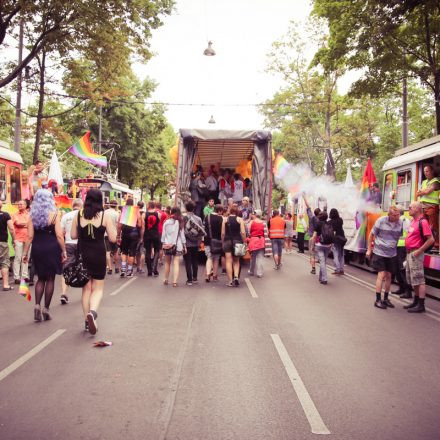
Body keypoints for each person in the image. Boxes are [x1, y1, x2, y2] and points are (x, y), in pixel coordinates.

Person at [70, 188, 117, 334]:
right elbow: (113, 238)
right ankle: (93, 312)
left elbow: (73, 235)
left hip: (83, 254)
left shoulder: (79, 214)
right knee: (98, 288)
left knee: (86, 289)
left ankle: (86, 320)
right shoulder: (104, 216)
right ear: (100, 200)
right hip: (98, 254)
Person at [23, 190, 66, 321]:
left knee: (40, 278)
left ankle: (37, 305)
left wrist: (25, 253)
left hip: (38, 248)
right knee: (50, 279)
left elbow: (29, 237)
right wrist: (63, 250)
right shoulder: (54, 215)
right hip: (52, 248)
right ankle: (46, 309)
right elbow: (59, 235)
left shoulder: (31, 216)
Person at [366, 205, 403, 309]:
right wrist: (369, 250)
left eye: (398, 214)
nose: (397, 217)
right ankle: (377, 300)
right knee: (381, 276)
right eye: (395, 215)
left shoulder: (400, 223)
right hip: (380, 252)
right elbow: (371, 235)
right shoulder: (381, 221)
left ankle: (385, 299)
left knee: (389, 277)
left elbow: (400, 237)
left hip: (392, 253)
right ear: (389, 215)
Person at [402, 202, 434, 313]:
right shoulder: (413, 221)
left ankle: (421, 305)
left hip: (416, 253)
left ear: (418, 209)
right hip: (410, 253)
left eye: (411, 207)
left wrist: (419, 251)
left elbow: (431, 240)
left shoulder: (423, 221)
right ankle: (416, 301)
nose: (409, 208)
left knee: (419, 279)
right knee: (413, 278)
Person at [59, 198, 83, 305]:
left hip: (68, 244)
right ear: (81, 206)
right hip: (81, 244)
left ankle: (64, 293)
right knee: (83, 269)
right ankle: (85, 294)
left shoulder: (65, 216)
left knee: (66, 269)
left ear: (72, 205)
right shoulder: (83, 215)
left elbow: (61, 232)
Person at [222, 204, 246, 287]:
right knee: (236, 261)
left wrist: (223, 242)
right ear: (237, 211)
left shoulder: (225, 219)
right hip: (238, 241)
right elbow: (243, 232)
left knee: (228, 261)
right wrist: (244, 242)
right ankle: (236, 277)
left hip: (227, 241)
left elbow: (223, 233)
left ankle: (230, 281)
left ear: (230, 211)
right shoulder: (240, 219)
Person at [162, 207, 186, 287]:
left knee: (167, 263)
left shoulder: (166, 222)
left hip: (167, 245)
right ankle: (175, 282)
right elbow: (182, 235)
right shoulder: (180, 222)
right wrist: (184, 245)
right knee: (176, 263)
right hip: (177, 245)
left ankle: (166, 279)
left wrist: (163, 243)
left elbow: (163, 235)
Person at [117, 198, 142, 278]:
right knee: (132, 253)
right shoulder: (136, 211)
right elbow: (140, 225)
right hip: (134, 234)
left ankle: (123, 269)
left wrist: (118, 235)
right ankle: (129, 271)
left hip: (125, 234)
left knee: (124, 252)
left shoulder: (123, 212)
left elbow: (119, 226)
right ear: (133, 203)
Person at [416, 164, 439, 249]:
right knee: (424, 226)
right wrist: (423, 191)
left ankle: (436, 244)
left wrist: (423, 191)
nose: (425, 173)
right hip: (423, 207)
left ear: (432, 171)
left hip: (432, 206)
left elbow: (428, 192)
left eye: (427, 171)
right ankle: (427, 244)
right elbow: (419, 192)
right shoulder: (424, 182)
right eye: (424, 171)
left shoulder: (436, 181)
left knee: (432, 226)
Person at [183, 200, 206, 285]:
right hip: (196, 242)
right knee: (194, 260)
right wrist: (199, 242)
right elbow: (201, 232)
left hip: (186, 243)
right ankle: (195, 278)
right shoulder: (198, 219)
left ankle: (189, 280)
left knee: (187, 261)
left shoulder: (183, 218)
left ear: (186, 208)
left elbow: (181, 231)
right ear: (193, 209)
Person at [392, 210, 412, 298]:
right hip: (399, 246)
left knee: (401, 269)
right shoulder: (404, 220)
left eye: (394, 214)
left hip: (401, 246)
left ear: (398, 214)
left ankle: (407, 291)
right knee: (397, 268)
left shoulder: (401, 220)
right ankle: (402, 288)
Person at [311, 211, 333, 285]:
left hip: (319, 245)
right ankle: (321, 278)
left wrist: (313, 245)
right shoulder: (329, 224)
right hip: (328, 245)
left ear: (320, 217)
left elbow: (314, 236)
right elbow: (332, 234)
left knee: (322, 262)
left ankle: (324, 278)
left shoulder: (318, 224)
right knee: (323, 262)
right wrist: (331, 245)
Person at [12, 200, 30, 284]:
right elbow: (17, 223)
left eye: (21, 204)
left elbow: (31, 224)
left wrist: (25, 224)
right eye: (18, 204)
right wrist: (27, 224)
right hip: (18, 238)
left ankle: (24, 276)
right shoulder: (15, 214)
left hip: (28, 239)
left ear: (25, 205)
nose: (19, 205)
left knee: (25, 257)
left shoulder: (29, 214)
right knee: (18, 258)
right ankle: (16, 277)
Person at [204, 204, 224, 282]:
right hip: (217, 241)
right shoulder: (221, 218)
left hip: (208, 240)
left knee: (209, 257)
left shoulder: (207, 217)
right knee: (216, 259)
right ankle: (215, 275)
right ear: (219, 211)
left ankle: (208, 274)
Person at [142, 201, 161, 277]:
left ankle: (149, 271)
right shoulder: (158, 214)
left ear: (149, 206)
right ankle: (155, 269)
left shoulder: (144, 214)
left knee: (148, 251)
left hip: (147, 235)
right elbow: (158, 223)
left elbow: (143, 228)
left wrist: (142, 237)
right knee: (157, 251)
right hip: (156, 234)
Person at [303, 195, 321, 275]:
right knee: (320, 253)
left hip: (312, 237)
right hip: (319, 238)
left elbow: (308, 206)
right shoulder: (321, 219)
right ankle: (321, 266)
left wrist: (304, 198)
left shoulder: (311, 217)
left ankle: (313, 268)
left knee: (312, 253)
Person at [0, 201, 15, 291]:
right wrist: (13, 239)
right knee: (4, 263)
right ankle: (5, 285)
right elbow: (11, 229)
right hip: (2, 242)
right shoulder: (6, 215)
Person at [248, 209, 266, 278]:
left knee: (253, 257)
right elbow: (266, 232)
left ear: (255, 214)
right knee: (260, 257)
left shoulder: (251, 222)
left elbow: (248, 231)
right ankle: (259, 273)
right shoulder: (263, 223)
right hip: (261, 240)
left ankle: (251, 271)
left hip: (253, 240)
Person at [329, 208, 346, 275]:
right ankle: (341, 269)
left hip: (335, 240)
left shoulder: (330, 222)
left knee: (335, 254)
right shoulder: (340, 220)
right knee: (341, 254)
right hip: (342, 239)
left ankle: (337, 269)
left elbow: (331, 232)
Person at [104, 200, 120, 274]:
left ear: (109, 205)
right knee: (115, 251)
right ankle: (116, 267)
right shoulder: (117, 214)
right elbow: (118, 225)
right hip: (114, 234)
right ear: (116, 205)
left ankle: (110, 268)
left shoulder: (105, 213)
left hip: (106, 234)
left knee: (108, 251)